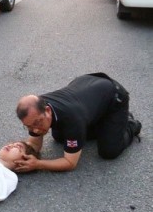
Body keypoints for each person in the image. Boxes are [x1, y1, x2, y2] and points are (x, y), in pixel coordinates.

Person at [14, 72, 142, 173]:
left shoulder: (72, 119)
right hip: (85, 89)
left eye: (37, 123)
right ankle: (103, 124)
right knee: (59, 137)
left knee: (109, 151)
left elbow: (70, 163)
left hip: (114, 96)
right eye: (28, 126)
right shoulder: (35, 111)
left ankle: (129, 123)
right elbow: (33, 144)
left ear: (47, 110)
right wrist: (20, 157)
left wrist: (38, 164)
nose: (35, 130)